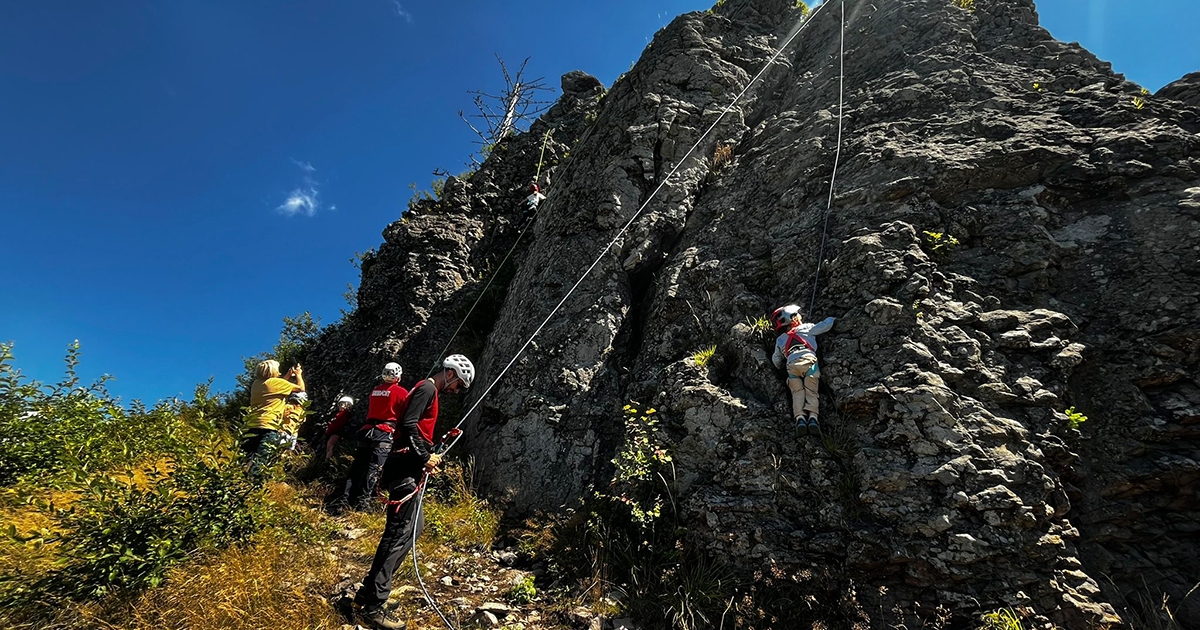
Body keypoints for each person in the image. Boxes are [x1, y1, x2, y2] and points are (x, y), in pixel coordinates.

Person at [354, 354, 475, 630]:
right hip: (405, 467)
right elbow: (408, 424)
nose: (456, 391)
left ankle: (368, 593)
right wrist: (425, 457)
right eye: (458, 386)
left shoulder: (426, 390)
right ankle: (374, 604)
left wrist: (434, 444)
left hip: (405, 466)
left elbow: (415, 427)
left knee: (411, 529)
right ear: (452, 375)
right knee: (400, 533)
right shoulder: (428, 388)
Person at [329, 363, 408, 514]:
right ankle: (363, 503)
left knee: (357, 468)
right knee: (375, 469)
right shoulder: (401, 392)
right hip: (384, 432)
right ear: (398, 375)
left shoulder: (376, 390)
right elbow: (404, 413)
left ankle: (345, 501)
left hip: (367, 431)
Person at [771, 305, 834, 436]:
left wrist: (780, 367)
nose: (801, 317)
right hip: (808, 361)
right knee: (811, 391)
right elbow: (824, 326)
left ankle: (800, 419)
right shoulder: (806, 327)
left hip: (791, 366)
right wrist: (832, 319)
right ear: (793, 318)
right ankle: (813, 419)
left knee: (797, 392)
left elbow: (776, 359)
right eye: (798, 315)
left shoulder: (780, 339)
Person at [241, 359, 305, 481]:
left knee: (244, 458)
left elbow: (276, 386)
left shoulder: (256, 384)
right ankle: (253, 487)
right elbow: (300, 388)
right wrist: (298, 375)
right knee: (261, 462)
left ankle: (236, 483)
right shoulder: (277, 384)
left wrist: (286, 376)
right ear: (273, 371)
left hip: (252, 426)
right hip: (269, 427)